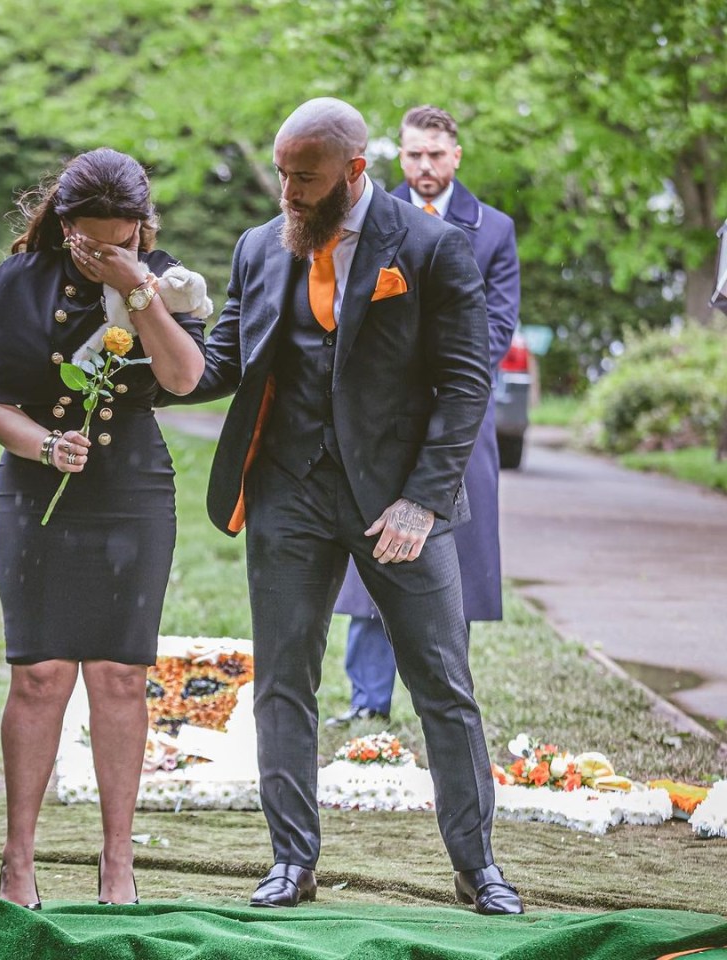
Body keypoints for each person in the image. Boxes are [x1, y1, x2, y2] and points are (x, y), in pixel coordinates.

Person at [167, 98, 523, 914]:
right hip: (287, 494)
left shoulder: (430, 248)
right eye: (284, 173)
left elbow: (469, 382)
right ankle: (292, 862)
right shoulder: (260, 246)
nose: (289, 191)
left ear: (355, 171)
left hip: (399, 504)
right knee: (284, 679)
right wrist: (142, 344)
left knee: (442, 682)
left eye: (305, 177)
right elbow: (222, 361)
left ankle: (478, 867)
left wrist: (422, 503)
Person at [0, 148, 206, 908]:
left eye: (124, 240)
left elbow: (182, 378)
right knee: (38, 675)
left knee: (121, 675)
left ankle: (117, 864)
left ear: (144, 226)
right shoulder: (19, 282)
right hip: (37, 487)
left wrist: (139, 292)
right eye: (93, 243)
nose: (109, 252)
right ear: (66, 226)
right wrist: (42, 442)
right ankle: (17, 861)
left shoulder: (162, 278)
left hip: (133, 490)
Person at [328, 104, 520, 728]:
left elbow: (495, 325)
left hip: (458, 423)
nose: (426, 165)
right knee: (372, 551)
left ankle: (444, 699)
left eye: (436, 154)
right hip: (380, 419)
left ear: (456, 156)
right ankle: (367, 702)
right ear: (401, 157)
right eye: (414, 154)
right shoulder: (373, 223)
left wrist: (444, 383)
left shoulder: (492, 229)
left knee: (451, 558)